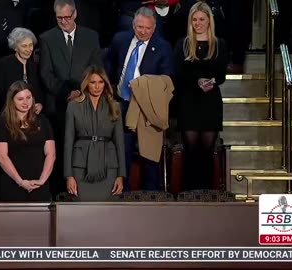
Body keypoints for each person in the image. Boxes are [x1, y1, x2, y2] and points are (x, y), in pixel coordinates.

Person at [105, 6, 174, 191]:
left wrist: (142, 85)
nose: (143, 32)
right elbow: (109, 64)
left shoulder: (163, 47)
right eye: (139, 27)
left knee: (149, 155)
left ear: (154, 26)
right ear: (133, 24)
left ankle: (151, 197)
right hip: (122, 103)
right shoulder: (120, 39)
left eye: (148, 28)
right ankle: (123, 195)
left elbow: (168, 79)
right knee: (123, 152)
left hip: (147, 108)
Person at [39, 0, 102, 196]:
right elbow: (46, 74)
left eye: (67, 17)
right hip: (58, 105)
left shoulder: (91, 36)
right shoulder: (47, 38)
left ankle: (86, 191)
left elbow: (96, 69)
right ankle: (60, 193)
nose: (64, 21)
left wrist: (82, 92)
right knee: (60, 150)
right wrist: (67, 93)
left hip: (87, 102)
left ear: (75, 14)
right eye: (60, 18)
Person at [174, 1, 227, 191]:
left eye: (201, 19)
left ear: (209, 21)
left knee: (207, 152)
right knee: (190, 152)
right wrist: (196, 81)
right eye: (194, 19)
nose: (198, 23)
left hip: (210, 102)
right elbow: (178, 73)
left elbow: (221, 75)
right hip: (189, 102)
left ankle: (207, 195)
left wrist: (211, 81)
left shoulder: (219, 44)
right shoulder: (183, 44)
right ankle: (189, 195)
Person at [64, 66, 125, 201]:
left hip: (108, 165)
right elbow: (68, 142)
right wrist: (69, 175)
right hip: (81, 166)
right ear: (86, 83)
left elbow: (120, 142)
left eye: (101, 82)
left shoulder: (114, 107)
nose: (97, 86)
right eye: (93, 82)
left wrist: (121, 175)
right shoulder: (73, 106)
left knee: (108, 212)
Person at [0, 81, 55, 202]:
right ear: (12, 101)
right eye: (20, 99)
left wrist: (41, 180)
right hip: (12, 185)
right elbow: (2, 157)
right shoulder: (1, 122)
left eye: (28, 97)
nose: (25, 102)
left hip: (40, 186)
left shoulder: (42, 121)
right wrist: (20, 182)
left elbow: (51, 154)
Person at [0, 27, 43, 119]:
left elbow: (40, 91)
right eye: (24, 46)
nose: (29, 49)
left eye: (30, 45)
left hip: (32, 115)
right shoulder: (2, 64)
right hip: (9, 115)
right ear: (15, 47)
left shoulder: (35, 64)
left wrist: (40, 104)